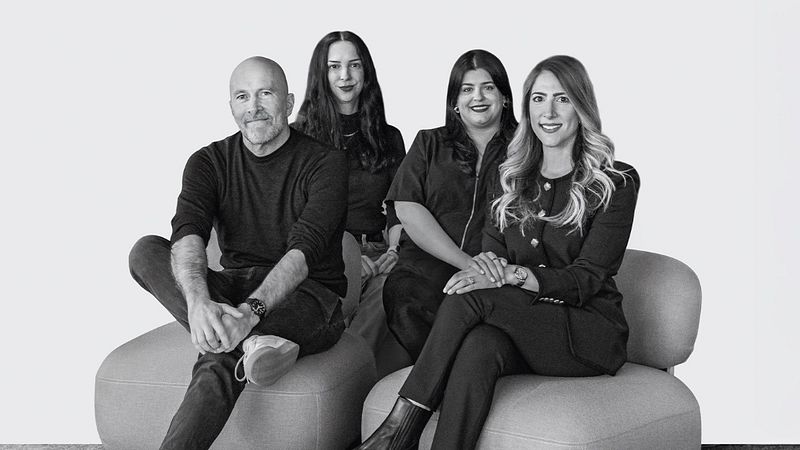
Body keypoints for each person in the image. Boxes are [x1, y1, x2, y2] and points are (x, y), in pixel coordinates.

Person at [357, 55, 640, 450]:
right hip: (523, 327)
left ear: (581, 106)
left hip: (586, 332)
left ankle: (398, 429)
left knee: (469, 299)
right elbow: (492, 258)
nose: (549, 112)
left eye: (562, 99)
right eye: (539, 99)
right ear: (527, 108)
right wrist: (494, 270)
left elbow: (588, 278)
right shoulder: (511, 178)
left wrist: (516, 275)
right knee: (479, 346)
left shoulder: (614, 181)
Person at [128, 57, 348, 450]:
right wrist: (199, 303)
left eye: (266, 94)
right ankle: (248, 343)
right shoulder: (208, 161)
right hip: (232, 284)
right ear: (231, 106)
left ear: (289, 102)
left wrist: (248, 314)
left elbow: (303, 252)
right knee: (146, 250)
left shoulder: (326, 163)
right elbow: (189, 232)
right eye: (242, 96)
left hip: (310, 296)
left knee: (219, 354)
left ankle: (240, 339)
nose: (254, 107)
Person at [382, 49, 517, 361]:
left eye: (488, 87)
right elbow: (407, 208)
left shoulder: (527, 150)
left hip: (497, 268)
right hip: (427, 265)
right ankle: (439, 377)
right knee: (404, 296)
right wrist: (466, 263)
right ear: (455, 101)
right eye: (467, 89)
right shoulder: (429, 142)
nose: (477, 97)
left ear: (505, 97)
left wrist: (491, 269)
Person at [292, 31, 405, 354]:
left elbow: (399, 206)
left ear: (365, 72)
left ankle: (352, 366)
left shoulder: (389, 137)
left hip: (378, 253)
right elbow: (294, 214)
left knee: (395, 289)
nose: (345, 76)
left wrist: (395, 251)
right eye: (334, 67)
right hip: (324, 255)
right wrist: (348, 258)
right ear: (321, 74)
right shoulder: (298, 138)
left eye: (354, 65)